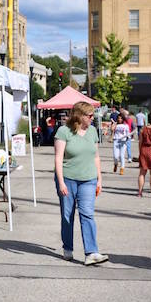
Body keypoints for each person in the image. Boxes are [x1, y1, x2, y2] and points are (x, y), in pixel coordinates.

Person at [54, 101, 108, 266]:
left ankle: (91, 252)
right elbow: (58, 158)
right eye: (89, 115)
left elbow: (96, 156)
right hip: (68, 179)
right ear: (79, 116)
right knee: (67, 215)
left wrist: (99, 178)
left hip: (88, 179)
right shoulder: (64, 131)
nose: (93, 118)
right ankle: (68, 248)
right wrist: (61, 182)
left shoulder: (92, 131)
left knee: (87, 214)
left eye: (93, 115)